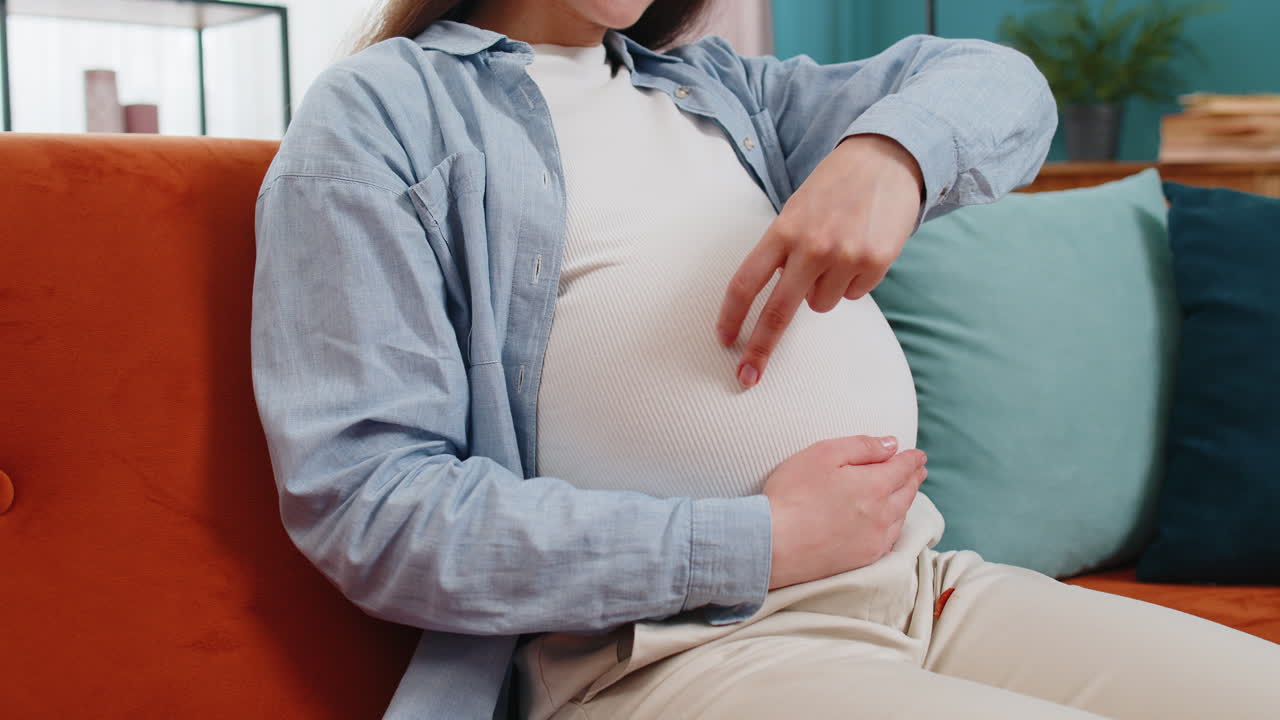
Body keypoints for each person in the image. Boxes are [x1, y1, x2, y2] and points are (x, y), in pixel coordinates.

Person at [250, 1, 1280, 718]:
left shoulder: (723, 92)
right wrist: (757, 541)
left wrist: (889, 156)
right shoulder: (379, 114)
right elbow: (374, 509)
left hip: (924, 590)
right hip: (680, 657)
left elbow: (1004, 88)